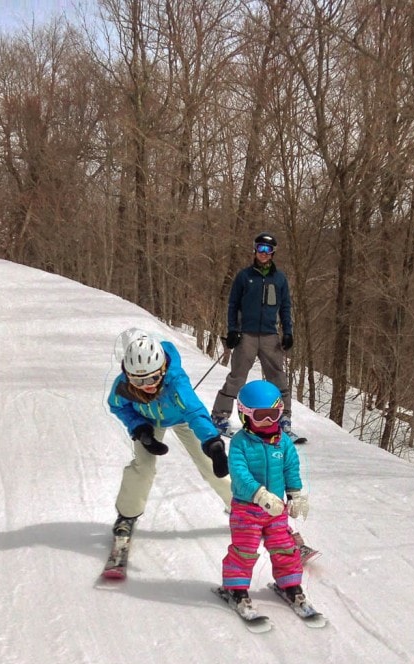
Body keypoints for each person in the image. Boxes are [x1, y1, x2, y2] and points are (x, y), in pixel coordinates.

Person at [107, 330, 232, 538]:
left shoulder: (176, 382)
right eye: (138, 382)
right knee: (143, 467)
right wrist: (139, 428)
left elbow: (194, 412)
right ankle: (127, 516)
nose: (147, 386)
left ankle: (241, 507)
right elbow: (118, 406)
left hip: (181, 418)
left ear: (163, 369)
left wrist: (212, 442)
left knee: (211, 464)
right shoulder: (123, 385)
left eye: (153, 378)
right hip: (147, 421)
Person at [220, 379, 311, 614]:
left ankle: (290, 584)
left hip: (276, 510)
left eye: (274, 414)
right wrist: (259, 495)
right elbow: (239, 473)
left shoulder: (284, 442)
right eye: (262, 416)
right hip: (247, 509)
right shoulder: (240, 443)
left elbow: (291, 468)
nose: (269, 421)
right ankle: (235, 588)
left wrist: (295, 494)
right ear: (245, 415)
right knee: (244, 549)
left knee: (285, 547)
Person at [211, 232, 294, 437]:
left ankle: (284, 418)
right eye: (260, 248)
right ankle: (220, 416)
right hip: (246, 335)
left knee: (277, 377)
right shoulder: (244, 276)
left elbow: (285, 307)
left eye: (267, 249)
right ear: (254, 250)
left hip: (270, 335)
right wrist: (232, 330)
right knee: (237, 377)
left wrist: (288, 332)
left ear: (273, 252)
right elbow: (233, 305)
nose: (263, 253)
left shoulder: (279, 279)